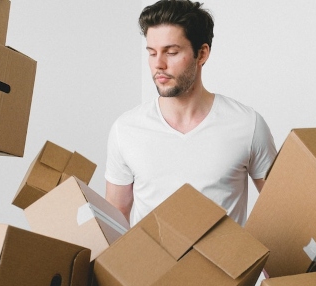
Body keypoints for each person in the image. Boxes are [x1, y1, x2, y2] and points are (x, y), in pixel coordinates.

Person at [105, 0, 277, 228]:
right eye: (152, 53)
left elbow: (281, 210)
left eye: (172, 52)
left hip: (223, 263)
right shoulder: (126, 129)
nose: (159, 64)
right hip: (152, 264)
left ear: (202, 54)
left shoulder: (247, 124)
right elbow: (115, 220)